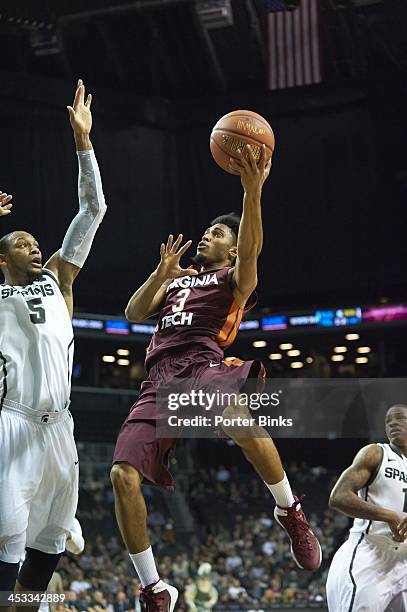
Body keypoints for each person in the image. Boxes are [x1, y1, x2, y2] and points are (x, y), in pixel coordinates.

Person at [111, 144, 321, 611]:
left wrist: (252, 193)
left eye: (218, 232)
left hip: (203, 361)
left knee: (236, 415)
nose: (208, 236)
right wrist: (161, 272)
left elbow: (252, 247)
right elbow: (132, 312)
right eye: (208, 230)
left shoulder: (234, 278)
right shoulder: (178, 279)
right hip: (159, 379)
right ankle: (155, 588)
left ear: (232, 245)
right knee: (123, 475)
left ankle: (290, 511)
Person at [0, 79, 106, 612]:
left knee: (49, 545)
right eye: (20, 241)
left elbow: (92, 211)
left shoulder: (59, 279)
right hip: (13, 420)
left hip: (61, 427)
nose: (33, 243)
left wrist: (83, 144)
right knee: (7, 542)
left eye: (34, 239)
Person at [327, 403, 407, 611]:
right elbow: (339, 496)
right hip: (372, 553)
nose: (393, 423)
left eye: (400, 418)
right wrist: (389, 516)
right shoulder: (376, 453)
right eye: (388, 420)